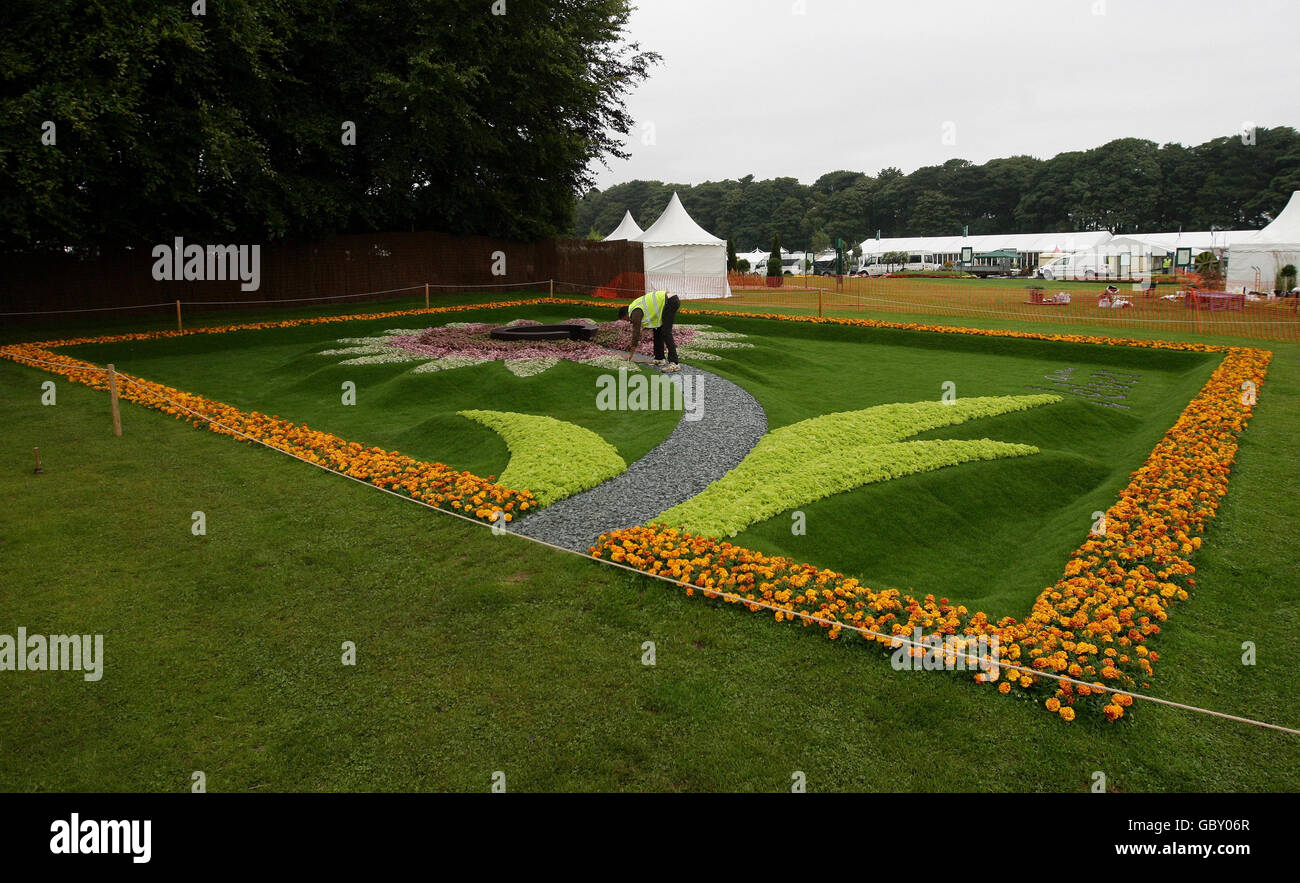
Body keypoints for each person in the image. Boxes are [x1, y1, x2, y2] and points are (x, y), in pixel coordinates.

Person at [618, 290, 681, 372]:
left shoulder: (635, 312)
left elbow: (635, 333)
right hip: (668, 301)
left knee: (666, 332)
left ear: (626, 314)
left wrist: (630, 355)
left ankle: (675, 363)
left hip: (670, 301)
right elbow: (647, 322)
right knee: (657, 329)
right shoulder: (635, 307)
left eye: (625, 319)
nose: (628, 321)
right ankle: (659, 358)